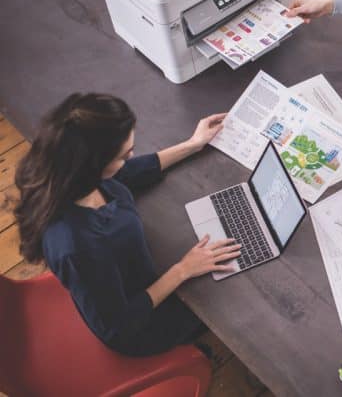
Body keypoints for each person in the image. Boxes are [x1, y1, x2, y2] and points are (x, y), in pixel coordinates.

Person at [13, 93, 241, 357]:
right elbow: (118, 326)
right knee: (231, 296)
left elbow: (127, 173)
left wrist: (193, 144)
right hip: (144, 324)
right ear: (94, 165)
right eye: (123, 154)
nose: (131, 155)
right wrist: (183, 269)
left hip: (137, 274)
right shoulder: (77, 245)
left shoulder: (67, 175)